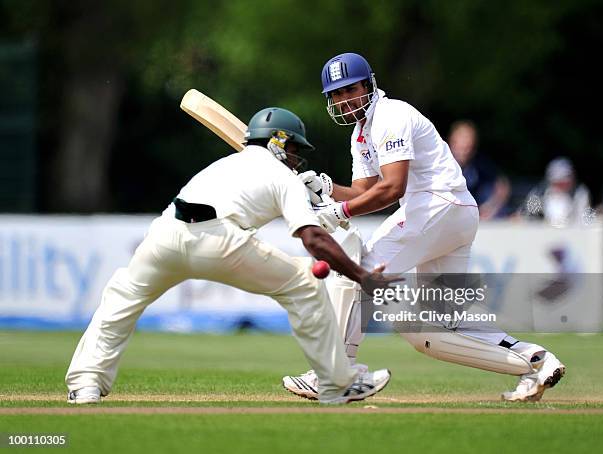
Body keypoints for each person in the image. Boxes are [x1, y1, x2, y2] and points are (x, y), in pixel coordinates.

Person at [282, 52, 565, 402]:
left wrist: (339, 211)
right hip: (449, 215)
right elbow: (364, 191)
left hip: (437, 206)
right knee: (434, 330)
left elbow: (393, 188)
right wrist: (323, 187)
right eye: (337, 95)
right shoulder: (361, 134)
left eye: (350, 90)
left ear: (368, 85)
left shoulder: (390, 115)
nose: (345, 99)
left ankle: (333, 373)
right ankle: (535, 361)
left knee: (355, 270)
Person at [65, 107, 393, 405]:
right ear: (279, 142)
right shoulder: (284, 179)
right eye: (294, 150)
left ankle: (86, 383)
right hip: (219, 240)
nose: (297, 159)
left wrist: (315, 203)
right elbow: (314, 240)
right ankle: (336, 384)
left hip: (165, 234)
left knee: (121, 296)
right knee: (305, 286)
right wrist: (362, 277)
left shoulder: (222, 166)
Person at [448, 120, 511, 219]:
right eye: (461, 147)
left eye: (468, 148)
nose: (465, 152)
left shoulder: (479, 164)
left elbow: (502, 185)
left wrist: (489, 209)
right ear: (452, 142)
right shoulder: (440, 165)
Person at [519, 157, 592, 227]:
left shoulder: (580, 193)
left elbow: (587, 219)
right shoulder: (539, 193)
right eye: (560, 181)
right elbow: (526, 215)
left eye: (567, 179)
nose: (564, 184)